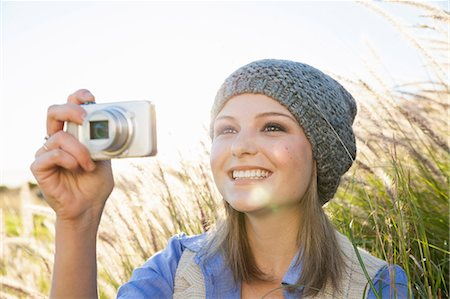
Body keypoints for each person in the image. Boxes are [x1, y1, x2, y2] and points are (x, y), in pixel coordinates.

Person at [31, 59, 409, 298]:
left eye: (273, 127)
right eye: (226, 130)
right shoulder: (175, 269)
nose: (240, 146)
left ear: (321, 154)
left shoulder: (375, 284)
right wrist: (77, 221)